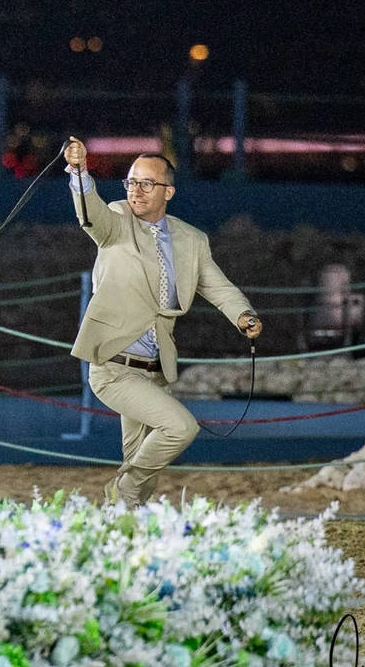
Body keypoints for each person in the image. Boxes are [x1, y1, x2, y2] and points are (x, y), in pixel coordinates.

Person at [62, 137, 262, 508]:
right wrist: (79, 171)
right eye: (131, 182)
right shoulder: (116, 220)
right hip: (114, 369)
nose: (136, 190)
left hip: (155, 371)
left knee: (144, 470)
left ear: (168, 191)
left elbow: (216, 285)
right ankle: (120, 491)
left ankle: (123, 529)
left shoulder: (192, 240)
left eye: (146, 183)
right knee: (180, 428)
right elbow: (90, 213)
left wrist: (243, 314)